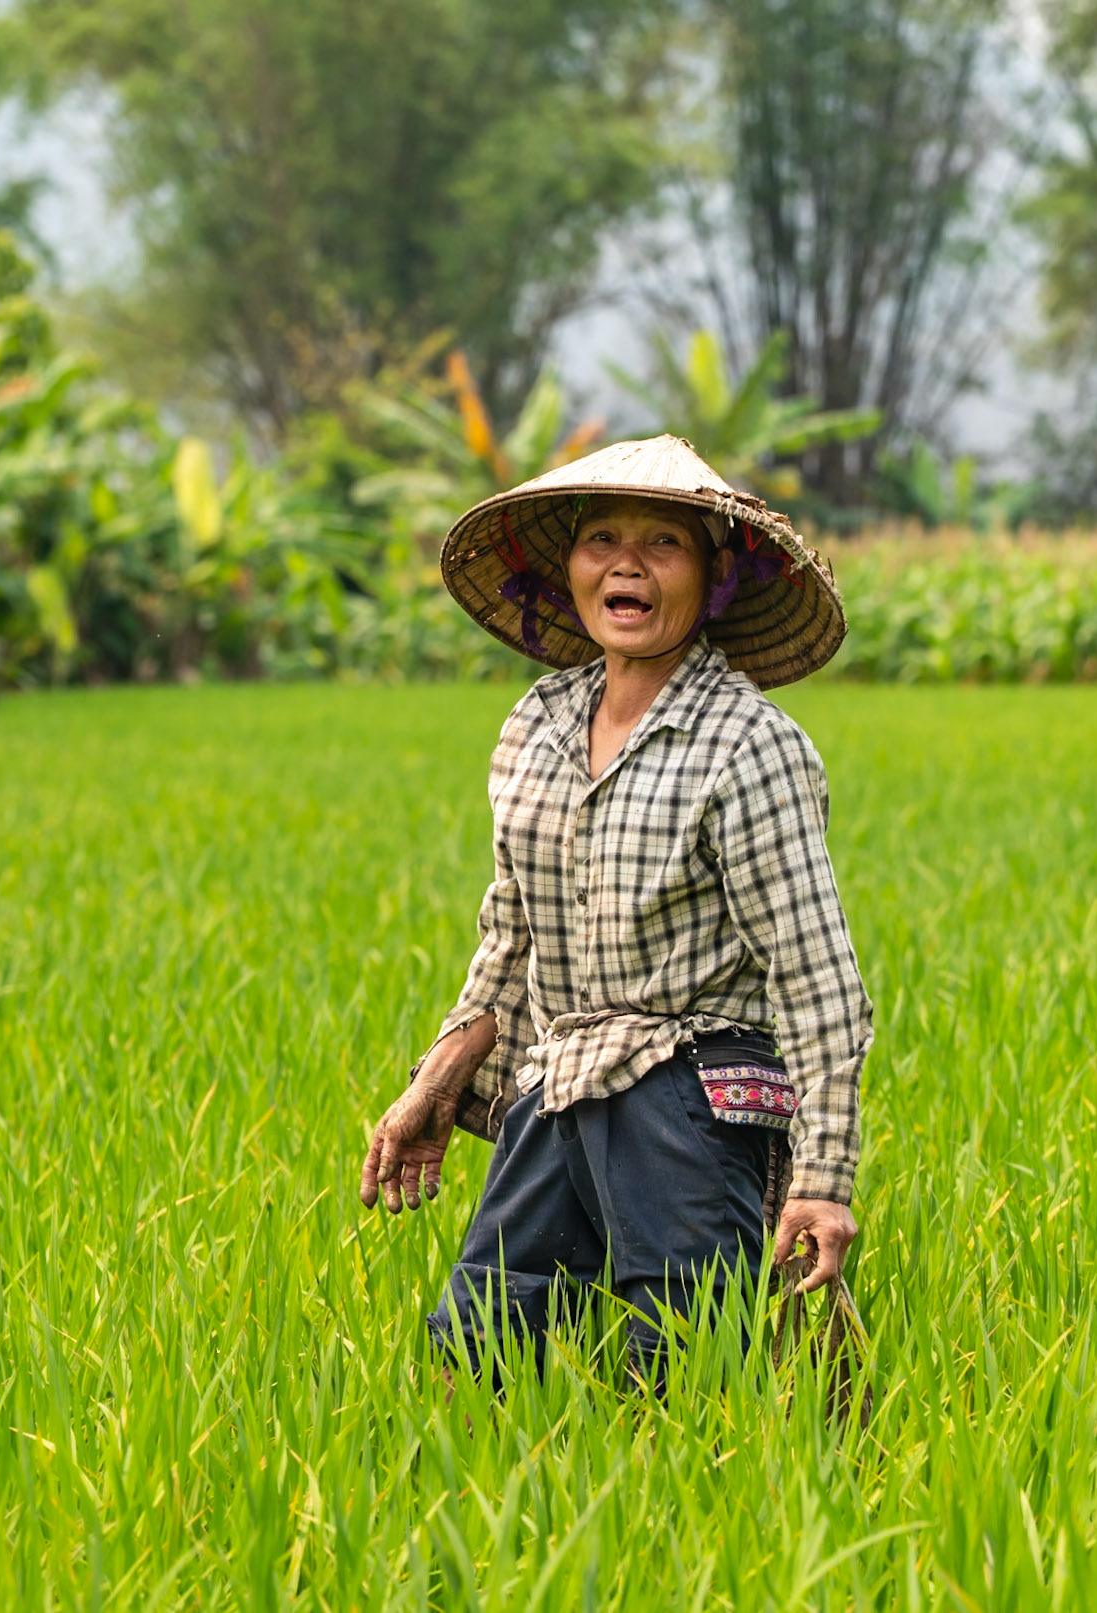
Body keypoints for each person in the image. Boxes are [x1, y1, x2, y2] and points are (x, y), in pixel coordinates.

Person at [357, 434, 873, 1386]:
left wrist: (823, 1182)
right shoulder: (536, 724)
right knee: (479, 1351)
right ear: (569, 568)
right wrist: (437, 1078)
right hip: (557, 1079)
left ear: (714, 576)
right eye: (600, 538)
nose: (625, 563)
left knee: (680, 1366)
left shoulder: (748, 744)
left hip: (691, 1091)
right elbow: (509, 934)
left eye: (663, 544)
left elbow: (816, 979)